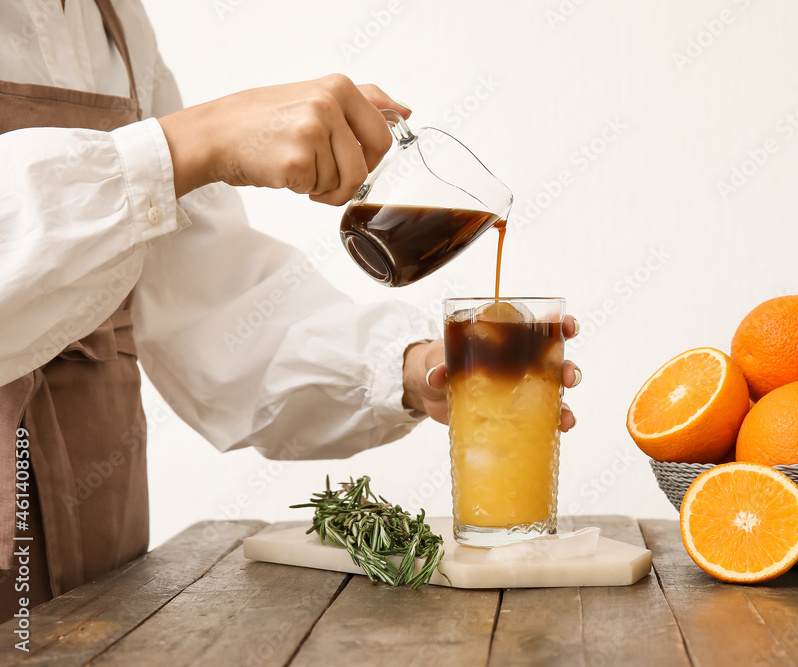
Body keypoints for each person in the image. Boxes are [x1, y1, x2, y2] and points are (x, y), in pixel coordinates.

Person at [0, 0, 581, 620]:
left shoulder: (117, 24)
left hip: (98, 515)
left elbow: (216, 309)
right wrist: (193, 142)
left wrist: (412, 372)